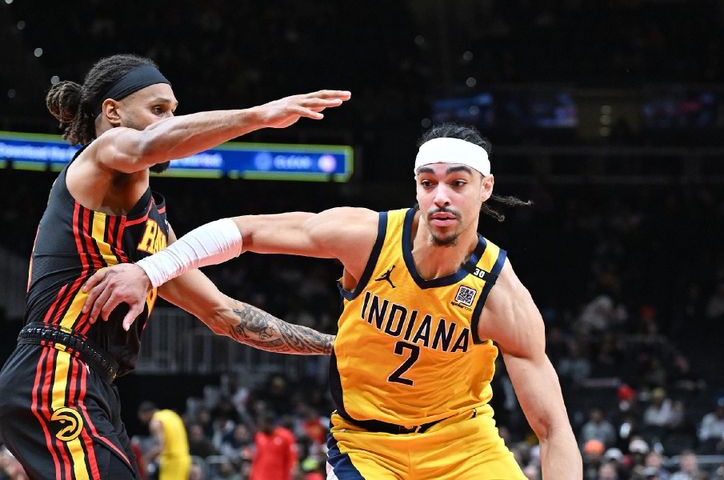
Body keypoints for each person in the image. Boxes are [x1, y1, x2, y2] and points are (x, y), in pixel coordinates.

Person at [83, 122, 583, 478]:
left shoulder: (502, 296)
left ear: (485, 188)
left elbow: (554, 430)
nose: (441, 197)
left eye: (457, 183)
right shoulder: (366, 236)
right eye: (428, 184)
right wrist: (149, 270)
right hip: (366, 446)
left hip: (463, 445)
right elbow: (248, 230)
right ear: (416, 187)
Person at [0, 54, 348, 480]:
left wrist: (335, 343)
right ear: (113, 112)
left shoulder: (153, 237)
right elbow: (148, 145)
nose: (169, 121)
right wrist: (258, 116)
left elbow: (224, 314)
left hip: (92, 382)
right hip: (54, 371)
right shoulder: (101, 153)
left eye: (173, 113)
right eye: (158, 110)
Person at [137, 401, 191, 480]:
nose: (142, 420)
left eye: (141, 417)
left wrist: (146, 458)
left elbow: (160, 447)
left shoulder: (155, 422)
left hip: (172, 463)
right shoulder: (172, 415)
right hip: (185, 460)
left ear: (146, 413)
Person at [249, 413, 297, 480]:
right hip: (259, 477)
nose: (259, 427)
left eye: (261, 424)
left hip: (279, 477)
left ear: (269, 423)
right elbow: (256, 457)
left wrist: (290, 475)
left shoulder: (286, 436)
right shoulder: (259, 436)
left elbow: (292, 458)